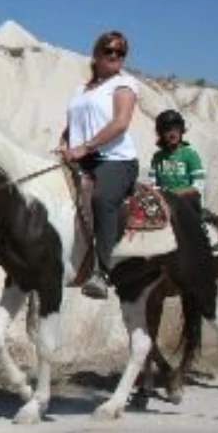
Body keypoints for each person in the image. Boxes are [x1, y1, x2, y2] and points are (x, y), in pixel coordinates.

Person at [58, 30, 139, 300]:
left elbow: (120, 123)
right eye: (109, 50)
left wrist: (86, 146)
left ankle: (103, 272)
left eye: (120, 52)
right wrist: (64, 143)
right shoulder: (80, 89)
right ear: (96, 54)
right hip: (82, 157)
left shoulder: (124, 84)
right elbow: (72, 125)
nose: (115, 56)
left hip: (115, 160)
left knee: (103, 199)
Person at [149, 109, 207, 217]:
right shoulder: (157, 157)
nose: (172, 133)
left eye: (176, 128)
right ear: (161, 134)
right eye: (167, 130)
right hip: (164, 202)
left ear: (181, 130)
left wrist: (174, 194)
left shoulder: (191, 155)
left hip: (187, 202)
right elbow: (153, 183)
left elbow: (199, 185)